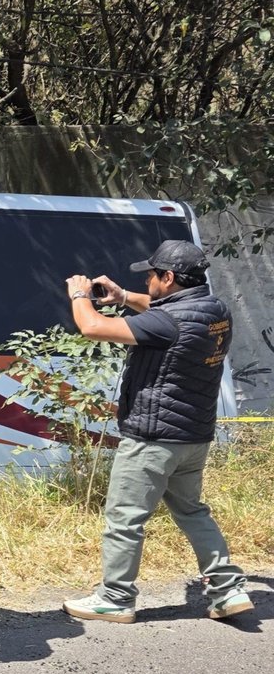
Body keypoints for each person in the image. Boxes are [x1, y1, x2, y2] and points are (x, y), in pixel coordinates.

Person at [61, 240, 252, 624]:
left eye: (150, 274)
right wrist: (123, 295)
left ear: (168, 278)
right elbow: (168, 315)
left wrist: (80, 294)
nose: (146, 279)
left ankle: (115, 597)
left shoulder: (168, 322)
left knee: (125, 517)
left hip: (153, 438)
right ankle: (228, 590)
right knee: (192, 511)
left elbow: (92, 325)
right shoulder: (214, 311)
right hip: (193, 437)